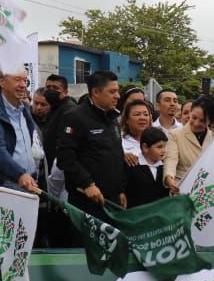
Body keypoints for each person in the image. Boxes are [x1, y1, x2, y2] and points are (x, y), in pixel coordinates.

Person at [56, 71, 126, 222]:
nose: (117, 96)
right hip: (87, 200)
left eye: (117, 91)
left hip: (112, 201)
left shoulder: (112, 118)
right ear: (95, 92)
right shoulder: (74, 117)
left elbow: (116, 155)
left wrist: (120, 190)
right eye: (112, 91)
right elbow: (65, 157)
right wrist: (87, 183)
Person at [163, 96, 214, 192]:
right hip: (182, 189)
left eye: (202, 121)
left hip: (207, 192)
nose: (196, 123)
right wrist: (169, 177)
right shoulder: (175, 134)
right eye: (194, 117)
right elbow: (170, 159)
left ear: (210, 122)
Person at [124, 126, 170, 207]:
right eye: (159, 147)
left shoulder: (165, 167)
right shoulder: (132, 165)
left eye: (164, 147)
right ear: (145, 147)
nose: (163, 150)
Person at [119, 100, 155, 166]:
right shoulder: (119, 143)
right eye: (137, 114)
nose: (142, 118)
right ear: (127, 119)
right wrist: (121, 157)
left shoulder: (157, 140)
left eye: (146, 114)